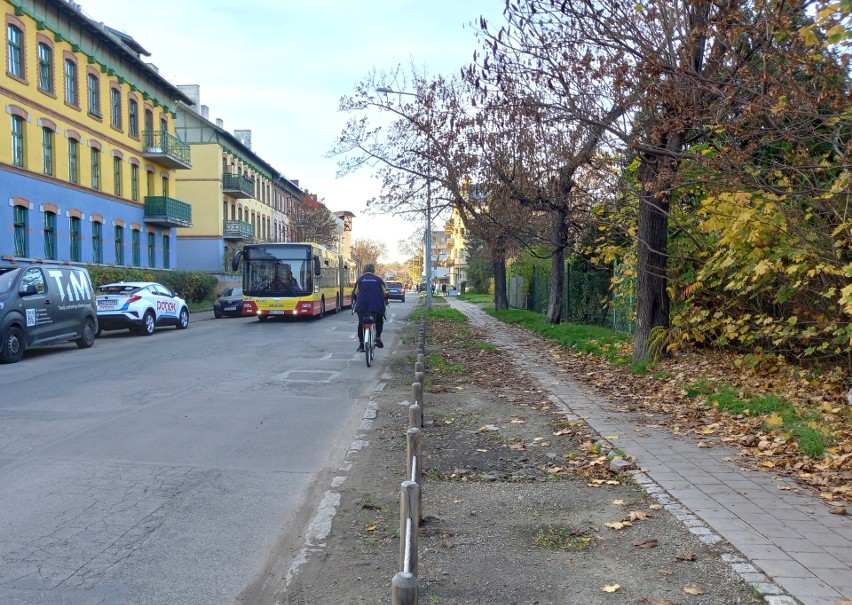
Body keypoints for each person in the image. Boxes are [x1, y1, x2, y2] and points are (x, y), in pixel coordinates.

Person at [352, 263, 388, 352]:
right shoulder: (379, 280)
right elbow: (386, 293)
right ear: (373, 271)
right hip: (377, 307)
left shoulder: (360, 280)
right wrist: (386, 302)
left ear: (364, 270)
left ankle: (361, 345)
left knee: (361, 324)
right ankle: (378, 337)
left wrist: (357, 300)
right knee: (379, 320)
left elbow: (355, 293)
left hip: (362, 307)